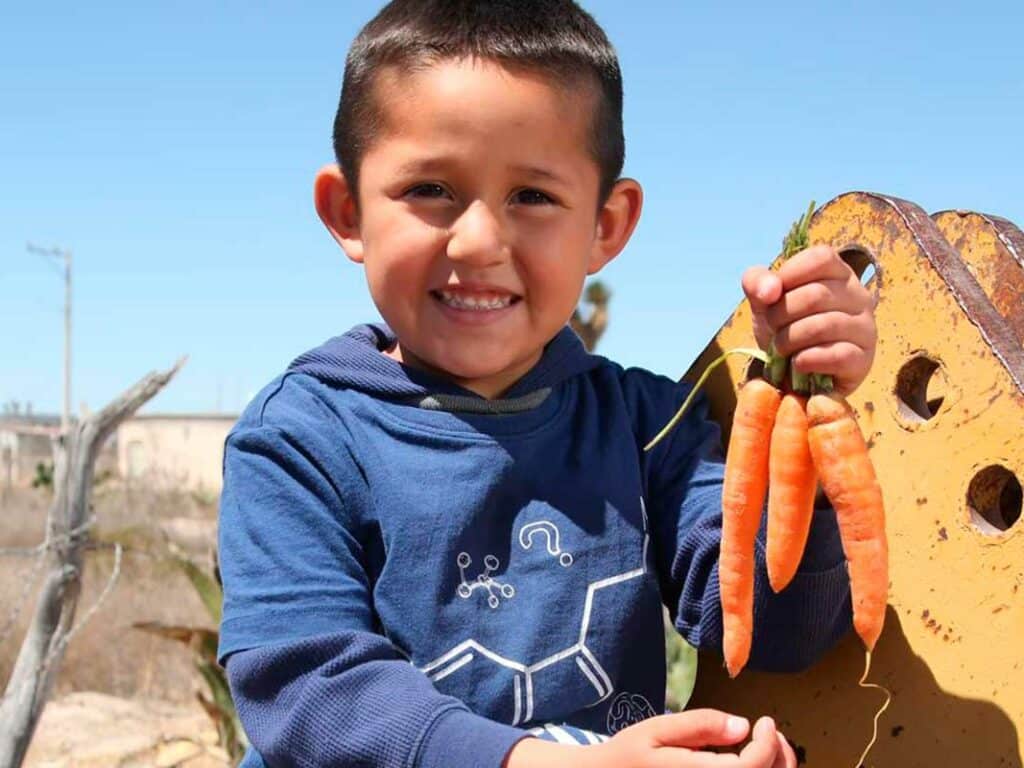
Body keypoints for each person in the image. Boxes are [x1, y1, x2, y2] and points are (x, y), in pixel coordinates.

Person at [216, 1, 877, 766]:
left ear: (606, 225)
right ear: (347, 211)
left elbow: (777, 629)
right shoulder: (300, 438)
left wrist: (812, 411)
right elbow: (309, 690)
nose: (480, 241)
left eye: (531, 197)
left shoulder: (647, 425)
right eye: (431, 189)